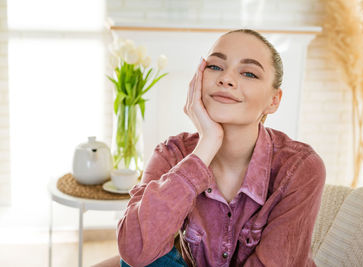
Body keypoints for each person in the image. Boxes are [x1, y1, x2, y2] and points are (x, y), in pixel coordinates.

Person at [114, 28, 326, 267]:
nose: (226, 79)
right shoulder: (171, 153)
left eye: (249, 73)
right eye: (215, 67)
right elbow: (134, 249)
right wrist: (206, 145)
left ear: (273, 100)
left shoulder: (299, 167)